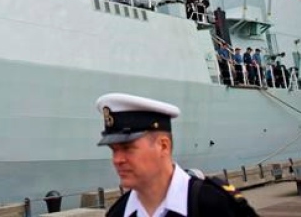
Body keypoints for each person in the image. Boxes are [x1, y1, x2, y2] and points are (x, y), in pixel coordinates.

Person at [96, 93, 257, 217]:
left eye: (128, 148)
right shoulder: (118, 212)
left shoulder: (215, 204)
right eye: (114, 150)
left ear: (163, 146)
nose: (117, 160)